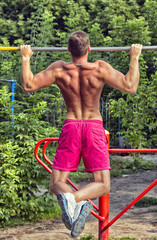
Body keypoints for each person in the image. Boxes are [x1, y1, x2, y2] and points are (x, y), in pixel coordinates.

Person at [20, 31, 142, 237]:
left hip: (71, 126)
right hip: (93, 127)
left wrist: (25, 58)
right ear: (90, 49)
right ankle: (75, 200)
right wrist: (134, 57)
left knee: (57, 183)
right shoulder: (100, 68)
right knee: (103, 184)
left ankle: (71, 201)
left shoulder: (59, 68)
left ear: (68, 49)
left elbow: (28, 85)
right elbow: (131, 86)